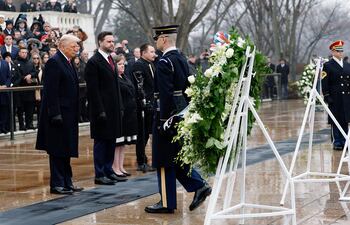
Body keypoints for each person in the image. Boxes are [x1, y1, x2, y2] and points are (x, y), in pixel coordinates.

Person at [145, 25, 211, 214]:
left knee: (163, 160)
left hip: (168, 117)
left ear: (164, 38)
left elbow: (165, 95)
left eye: (157, 38)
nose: (155, 41)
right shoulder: (181, 58)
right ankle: (199, 185)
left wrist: (164, 121)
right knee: (176, 157)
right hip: (182, 115)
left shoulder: (165, 62)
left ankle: (167, 202)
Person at [35, 34, 83, 195]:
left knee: (67, 149)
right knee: (57, 150)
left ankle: (67, 182)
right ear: (62, 46)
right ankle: (57, 184)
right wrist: (55, 113)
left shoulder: (68, 62)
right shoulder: (54, 62)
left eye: (77, 46)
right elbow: (51, 91)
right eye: (73, 46)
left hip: (69, 114)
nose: (77, 48)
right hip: (58, 115)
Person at [85, 31, 125, 185]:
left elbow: (116, 87)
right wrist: (100, 110)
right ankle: (100, 173)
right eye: (108, 41)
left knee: (111, 141)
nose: (112, 44)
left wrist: (120, 106)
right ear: (100, 42)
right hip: (101, 110)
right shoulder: (94, 62)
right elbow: (93, 90)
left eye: (112, 41)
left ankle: (109, 170)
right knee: (101, 142)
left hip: (113, 108)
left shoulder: (111, 60)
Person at [130, 43, 156, 172]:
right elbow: (140, 86)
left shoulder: (151, 64)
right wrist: (145, 103)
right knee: (143, 134)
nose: (153, 54)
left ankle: (146, 158)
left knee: (149, 133)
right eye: (151, 52)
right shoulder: (138, 65)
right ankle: (141, 161)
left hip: (152, 102)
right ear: (143, 53)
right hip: (143, 104)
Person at [321, 40, 350, 150]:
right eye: (338, 51)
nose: (340, 53)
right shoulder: (328, 65)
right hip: (335, 97)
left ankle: (345, 140)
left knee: (345, 119)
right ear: (333, 52)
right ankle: (337, 141)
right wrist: (327, 95)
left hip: (346, 97)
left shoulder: (347, 65)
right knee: (335, 119)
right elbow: (325, 82)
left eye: (341, 51)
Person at [113, 54, 137, 178]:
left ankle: (120, 166)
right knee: (118, 143)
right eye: (119, 64)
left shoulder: (125, 77)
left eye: (123, 64)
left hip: (129, 114)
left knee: (123, 144)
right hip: (121, 113)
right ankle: (115, 167)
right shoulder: (115, 79)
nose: (122, 67)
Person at [0, 54, 11, 134]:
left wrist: (6, 85)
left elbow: (9, 76)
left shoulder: (5, 63)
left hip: (4, 91)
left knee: (4, 109)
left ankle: (2, 127)